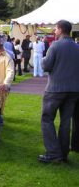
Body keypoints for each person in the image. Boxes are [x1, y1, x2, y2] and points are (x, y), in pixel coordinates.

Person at [38, 20, 79, 163]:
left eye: (55, 29)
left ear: (60, 29)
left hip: (55, 89)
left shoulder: (55, 45)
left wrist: (43, 59)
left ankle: (53, 153)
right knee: (65, 121)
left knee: (47, 119)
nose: (54, 31)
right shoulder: (77, 47)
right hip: (74, 90)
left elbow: (46, 66)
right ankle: (63, 154)